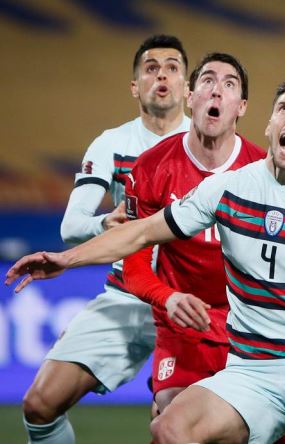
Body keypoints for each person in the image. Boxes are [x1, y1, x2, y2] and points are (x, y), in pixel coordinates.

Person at [7, 78, 285, 444]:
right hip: (252, 369)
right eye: (284, 108)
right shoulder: (230, 189)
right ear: (269, 124)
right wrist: (67, 259)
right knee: (170, 428)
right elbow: (141, 232)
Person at [20, 35, 190, 444]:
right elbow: (72, 226)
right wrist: (105, 224)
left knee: (175, 423)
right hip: (128, 295)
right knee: (39, 405)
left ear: (188, 87)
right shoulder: (113, 144)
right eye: (151, 68)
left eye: (172, 68)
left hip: (190, 301)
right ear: (135, 86)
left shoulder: (207, 143)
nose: (161, 76)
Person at [121, 50, 285, 444]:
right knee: (173, 425)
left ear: (241, 107)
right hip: (184, 327)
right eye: (208, 81)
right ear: (190, 96)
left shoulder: (267, 175)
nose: (217, 91)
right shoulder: (151, 168)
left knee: (264, 432)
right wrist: (168, 298)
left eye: (229, 85)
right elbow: (134, 265)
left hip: (251, 329)